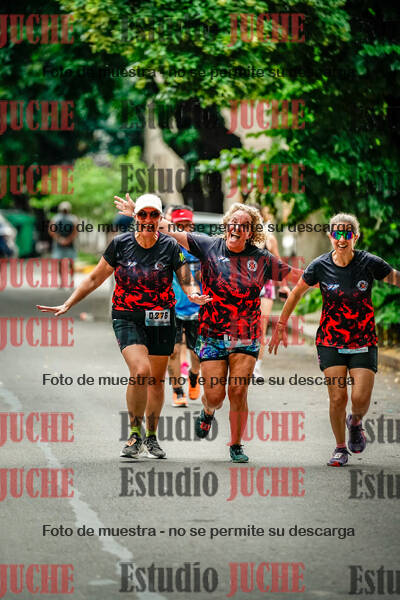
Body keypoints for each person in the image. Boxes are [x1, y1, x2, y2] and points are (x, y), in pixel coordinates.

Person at [114, 195, 302, 462]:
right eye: (233, 223)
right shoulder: (209, 245)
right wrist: (140, 211)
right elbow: (170, 229)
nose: (237, 228)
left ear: (251, 233)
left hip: (245, 334)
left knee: (238, 391)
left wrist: (332, 271)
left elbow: (298, 276)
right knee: (215, 396)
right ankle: (208, 410)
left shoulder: (261, 259)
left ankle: (236, 444)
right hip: (212, 333)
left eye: (244, 225)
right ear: (226, 226)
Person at [37, 194, 210, 460]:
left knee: (155, 381)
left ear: (160, 218)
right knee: (140, 371)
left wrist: (194, 293)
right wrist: (69, 303)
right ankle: (134, 434)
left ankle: (151, 437)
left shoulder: (169, 246)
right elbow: (94, 278)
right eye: (143, 214)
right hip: (127, 316)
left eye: (154, 214)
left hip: (162, 317)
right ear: (136, 218)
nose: (148, 219)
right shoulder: (120, 244)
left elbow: (186, 278)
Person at [269, 213, 400, 466]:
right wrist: (281, 324)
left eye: (347, 233)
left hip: (363, 340)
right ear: (330, 236)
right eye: (337, 233)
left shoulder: (368, 263)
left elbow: (396, 278)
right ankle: (340, 448)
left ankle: (356, 422)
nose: (342, 239)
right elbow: (296, 294)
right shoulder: (319, 266)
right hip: (330, 341)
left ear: (355, 237)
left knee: (360, 400)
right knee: (338, 397)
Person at [168, 206, 202, 407]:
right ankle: (177, 391)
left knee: (197, 353)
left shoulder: (201, 248)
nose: (181, 229)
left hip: (197, 308)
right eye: (177, 225)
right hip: (171, 307)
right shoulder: (166, 248)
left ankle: (194, 376)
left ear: (192, 226)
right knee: (172, 351)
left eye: (185, 225)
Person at [48, 202, 78, 288]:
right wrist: (59, 239)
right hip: (59, 244)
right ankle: (62, 282)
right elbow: (51, 230)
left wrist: (68, 240)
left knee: (71, 263)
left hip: (69, 244)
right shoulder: (56, 218)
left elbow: (75, 231)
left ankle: (71, 281)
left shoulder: (72, 219)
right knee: (60, 263)